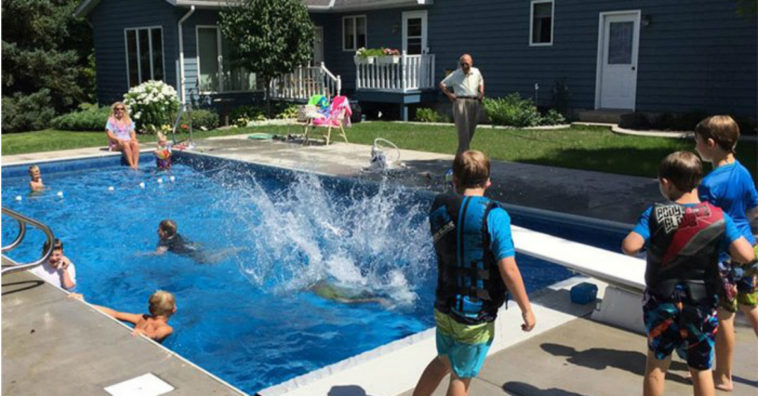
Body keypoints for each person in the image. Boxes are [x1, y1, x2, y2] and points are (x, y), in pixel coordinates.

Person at [621, 151, 754, 396]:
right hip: (701, 303)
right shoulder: (718, 216)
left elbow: (630, 246)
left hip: (661, 301)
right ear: (698, 181)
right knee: (700, 369)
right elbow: (746, 255)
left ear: (665, 182)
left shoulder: (655, 213)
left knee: (656, 365)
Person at [414, 150, 535, 396]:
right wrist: (526, 309)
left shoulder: (441, 209)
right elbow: (508, 268)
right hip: (474, 315)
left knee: (444, 361)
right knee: (462, 375)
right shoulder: (495, 216)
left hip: (444, 307)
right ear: (488, 181)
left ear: (454, 181)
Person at [693, 115, 758, 391]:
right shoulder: (743, 171)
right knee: (752, 306)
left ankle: (723, 376)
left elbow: (706, 224)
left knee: (725, 316)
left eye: (697, 143)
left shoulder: (709, 184)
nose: (696, 147)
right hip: (750, 248)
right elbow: (754, 208)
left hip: (725, 257)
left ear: (710, 144)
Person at [79, 290, 176, 343]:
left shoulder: (142, 318)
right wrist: (146, 335)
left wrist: (85, 303)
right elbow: (155, 336)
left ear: (150, 309)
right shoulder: (166, 328)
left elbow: (115, 314)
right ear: (173, 310)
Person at [439, 54, 485, 155]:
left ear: (471, 63)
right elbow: (442, 84)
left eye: (466, 64)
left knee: (470, 131)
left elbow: (481, 81)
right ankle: (464, 157)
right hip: (461, 103)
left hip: (474, 102)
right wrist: (449, 94)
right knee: (463, 132)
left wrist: (481, 92)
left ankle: (461, 156)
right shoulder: (456, 74)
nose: (464, 66)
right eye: (462, 64)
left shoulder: (476, 71)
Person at [106, 101, 140, 170]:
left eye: (122, 109)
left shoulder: (128, 120)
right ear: (114, 110)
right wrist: (117, 139)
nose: (120, 110)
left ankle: (136, 164)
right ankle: (131, 165)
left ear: (124, 110)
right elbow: (109, 134)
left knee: (135, 143)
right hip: (116, 143)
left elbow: (132, 132)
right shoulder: (111, 120)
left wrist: (133, 138)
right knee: (125, 144)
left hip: (127, 140)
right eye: (117, 109)